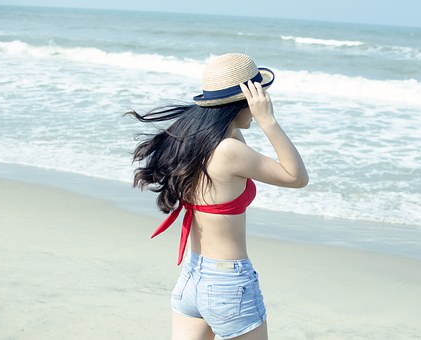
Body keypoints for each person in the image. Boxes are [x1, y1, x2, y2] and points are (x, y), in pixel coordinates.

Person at [126, 53, 308, 339]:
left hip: (192, 278)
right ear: (246, 101)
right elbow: (297, 177)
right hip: (228, 284)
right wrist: (268, 121)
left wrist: (240, 115)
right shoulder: (229, 151)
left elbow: (234, 137)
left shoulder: (194, 141)